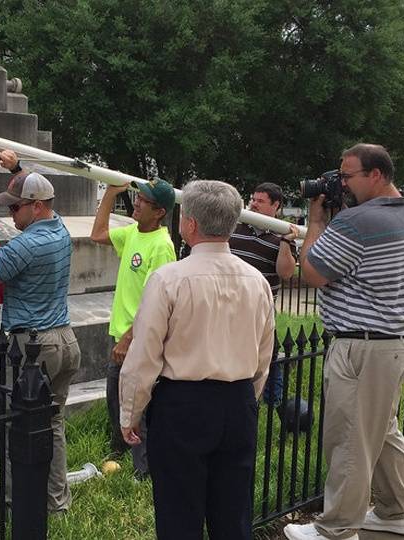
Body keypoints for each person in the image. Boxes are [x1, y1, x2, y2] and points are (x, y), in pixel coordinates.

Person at [283, 144, 404, 540]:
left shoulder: (359, 222)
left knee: (349, 439)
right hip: (396, 341)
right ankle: (396, 511)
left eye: (347, 176)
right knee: (381, 432)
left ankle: (336, 529)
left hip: (362, 347)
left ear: (375, 175)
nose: (341, 182)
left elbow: (312, 272)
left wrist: (316, 219)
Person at [120, 180, 275, 539]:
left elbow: (145, 354)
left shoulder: (168, 280)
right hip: (237, 402)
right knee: (233, 512)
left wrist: (131, 412)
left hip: (182, 405)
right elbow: (265, 355)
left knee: (178, 512)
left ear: (188, 224)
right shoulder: (256, 281)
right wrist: (247, 399)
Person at [0, 148, 81, 513]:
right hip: (64, 340)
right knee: (53, 424)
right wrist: (17, 169)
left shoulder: (29, 244)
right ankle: (56, 502)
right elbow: (40, 192)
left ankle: (18, 504)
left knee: (19, 425)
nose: (10, 213)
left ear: (37, 208)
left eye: (16, 207)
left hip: (31, 348)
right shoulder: (58, 227)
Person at [180, 183, 297, 407]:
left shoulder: (280, 237)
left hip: (257, 312)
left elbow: (286, 272)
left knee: (265, 359)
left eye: (260, 201)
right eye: (253, 199)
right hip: (224, 305)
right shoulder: (233, 228)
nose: (253, 204)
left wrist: (285, 243)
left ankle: (272, 405)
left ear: (276, 206)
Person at [89, 178, 176, 474]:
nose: (136, 203)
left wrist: (129, 338)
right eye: (137, 197)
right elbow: (97, 233)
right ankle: (121, 452)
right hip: (121, 334)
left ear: (160, 212)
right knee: (116, 399)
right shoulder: (132, 233)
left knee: (138, 403)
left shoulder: (162, 246)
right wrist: (111, 194)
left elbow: (156, 303)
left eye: (143, 201)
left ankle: (145, 469)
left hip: (138, 338)